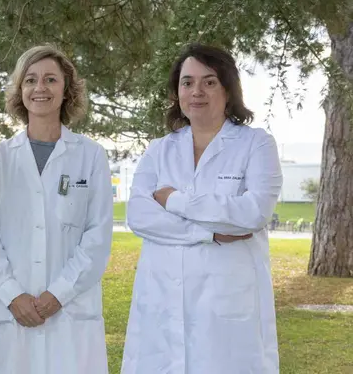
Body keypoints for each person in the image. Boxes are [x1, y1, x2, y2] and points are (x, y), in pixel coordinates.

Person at [121, 43, 283, 374]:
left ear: (227, 89)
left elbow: (253, 213)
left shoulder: (256, 144)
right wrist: (208, 232)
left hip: (226, 305)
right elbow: (138, 216)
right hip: (162, 299)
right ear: (177, 91)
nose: (197, 91)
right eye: (187, 82)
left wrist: (173, 200)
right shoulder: (159, 150)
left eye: (209, 82)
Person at [0, 45, 114, 374]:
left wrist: (58, 294)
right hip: (12, 311)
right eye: (30, 80)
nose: (40, 88)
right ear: (20, 92)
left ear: (66, 90)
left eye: (51, 79)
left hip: (71, 310)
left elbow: (97, 235)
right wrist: (12, 295)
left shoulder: (90, 156)